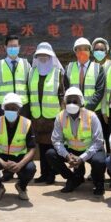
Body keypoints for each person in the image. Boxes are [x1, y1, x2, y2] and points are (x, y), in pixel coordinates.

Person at [46, 87, 107, 195]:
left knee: (100, 161)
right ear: (64, 103)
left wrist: (82, 158)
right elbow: (56, 140)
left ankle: (98, 182)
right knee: (50, 154)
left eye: (75, 101)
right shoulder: (60, 117)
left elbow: (98, 141)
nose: (71, 104)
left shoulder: (91, 116)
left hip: (90, 150)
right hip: (71, 151)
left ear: (81, 102)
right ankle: (73, 178)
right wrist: (67, 156)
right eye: (68, 101)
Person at [0, 93, 37, 201]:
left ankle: (21, 187)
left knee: (31, 168)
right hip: (1, 156)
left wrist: (20, 164)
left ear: (19, 109)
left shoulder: (26, 123)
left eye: (14, 108)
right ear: (3, 109)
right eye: (8, 108)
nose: (10, 110)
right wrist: (2, 162)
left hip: (19, 157)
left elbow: (32, 148)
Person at [27, 42, 65, 185]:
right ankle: (44, 174)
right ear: (36, 56)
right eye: (40, 55)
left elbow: (62, 94)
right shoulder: (32, 72)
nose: (43, 57)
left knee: (51, 147)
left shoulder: (58, 72)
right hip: (37, 117)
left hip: (52, 117)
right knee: (42, 147)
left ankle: (51, 175)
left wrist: (62, 113)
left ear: (51, 56)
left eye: (46, 55)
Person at [0, 34, 31, 115]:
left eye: (15, 46)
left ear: (19, 47)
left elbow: (31, 86)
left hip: (23, 106)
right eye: (10, 46)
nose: (13, 48)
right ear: (5, 47)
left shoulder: (26, 64)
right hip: (5, 106)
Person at [65, 38, 105, 114]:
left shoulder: (98, 68)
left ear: (90, 52)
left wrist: (87, 109)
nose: (82, 52)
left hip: (93, 112)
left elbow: (99, 91)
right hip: (73, 111)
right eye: (79, 49)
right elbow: (66, 89)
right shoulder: (68, 68)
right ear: (75, 52)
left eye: (85, 49)